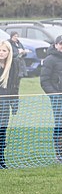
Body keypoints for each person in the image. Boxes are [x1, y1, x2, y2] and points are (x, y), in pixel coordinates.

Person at [0, 40, 21, 169]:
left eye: (4, 51)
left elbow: (15, 86)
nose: (1, 53)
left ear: (9, 53)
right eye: (0, 50)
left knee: (2, 132)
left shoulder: (13, 66)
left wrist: (15, 104)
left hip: (5, 105)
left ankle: (2, 160)